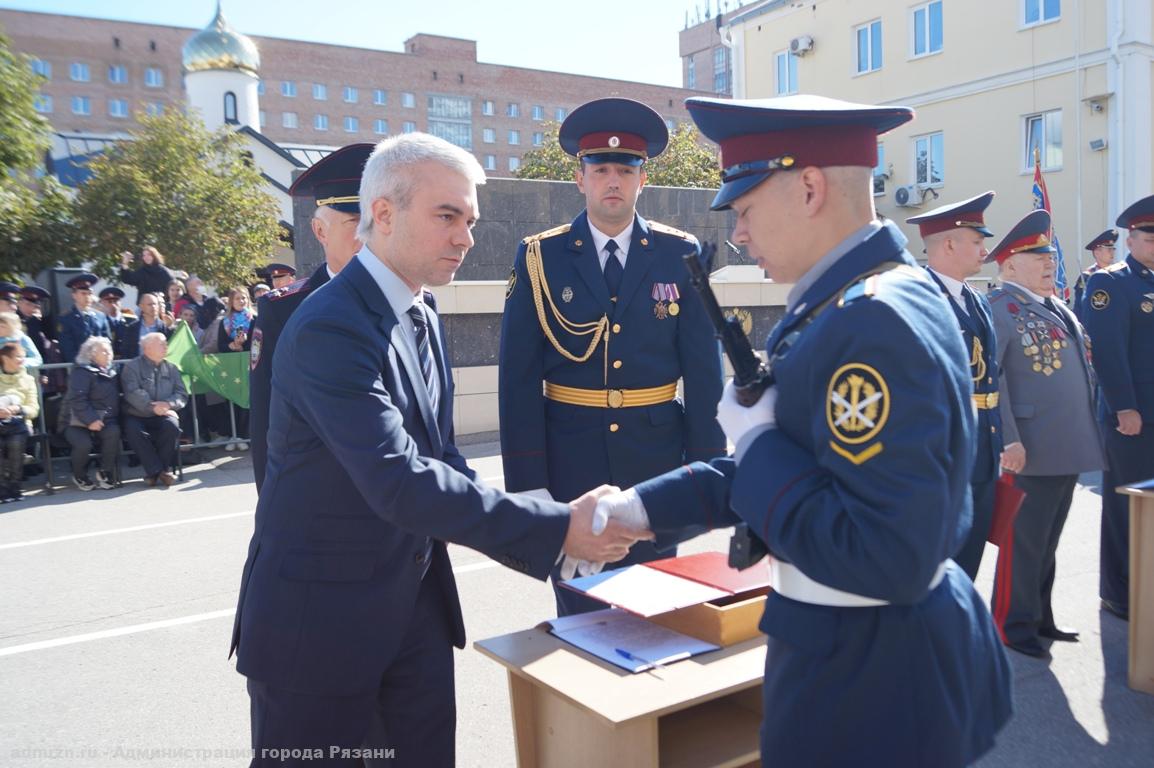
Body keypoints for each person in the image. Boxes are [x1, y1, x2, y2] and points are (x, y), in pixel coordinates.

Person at [590, 95, 1013, 766]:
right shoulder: (855, 300)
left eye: (748, 209)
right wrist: (637, 509)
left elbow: (885, 555)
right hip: (865, 654)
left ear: (810, 188)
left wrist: (754, 442)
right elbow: (800, 463)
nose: (741, 235)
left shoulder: (871, 319)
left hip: (870, 676)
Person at [230, 132, 650, 767]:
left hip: (414, 618)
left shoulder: (421, 312)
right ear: (385, 214)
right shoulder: (329, 326)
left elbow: (444, 462)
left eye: (471, 220)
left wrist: (556, 548)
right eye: (448, 216)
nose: (466, 238)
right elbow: (398, 478)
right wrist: (560, 528)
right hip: (319, 633)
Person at [498, 97, 725, 615]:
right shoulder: (540, 256)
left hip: (657, 466)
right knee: (582, 616)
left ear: (642, 180)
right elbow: (517, 380)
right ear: (580, 178)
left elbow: (704, 371)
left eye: (626, 169)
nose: (613, 180)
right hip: (569, 466)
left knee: (656, 617)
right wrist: (530, 486)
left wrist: (707, 473)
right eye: (600, 169)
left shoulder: (679, 253)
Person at [985, 209, 1104, 658]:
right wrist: (1008, 439)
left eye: (1049, 254)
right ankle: (1010, 625)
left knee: (1048, 540)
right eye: (1037, 255)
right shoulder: (1001, 308)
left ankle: (1039, 617)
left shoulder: (1053, 305)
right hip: (1029, 450)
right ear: (1010, 265)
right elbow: (991, 379)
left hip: (1064, 444)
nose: (1049, 261)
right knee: (1023, 542)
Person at [249, 142, 374, 490]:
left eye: (377, 222)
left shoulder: (415, 303)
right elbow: (265, 425)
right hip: (320, 504)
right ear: (320, 231)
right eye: (355, 222)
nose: (368, 236)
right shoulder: (283, 309)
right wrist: (273, 515)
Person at [906, 192, 1003, 578]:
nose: (985, 250)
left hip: (981, 449)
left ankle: (959, 635)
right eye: (977, 242)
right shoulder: (919, 297)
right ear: (948, 244)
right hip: (943, 452)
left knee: (970, 559)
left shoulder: (976, 300)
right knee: (938, 565)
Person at [1081, 194, 1154, 621]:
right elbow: (1107, 351)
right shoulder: (1111, 282)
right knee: (1126, 506)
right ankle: (1119, 592)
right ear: (1131, 238)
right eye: (1149, 236)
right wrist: (1124, 406)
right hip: (1135, 418)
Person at [120, 333, 187, 487]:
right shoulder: (132, 367)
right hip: (137, 414)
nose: (166, 347)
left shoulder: (171, 368)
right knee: (133, 430)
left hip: (164, 412)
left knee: (171, 426)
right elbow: (132, 392)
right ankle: (160, 472)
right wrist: (152, 407)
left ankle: (154, 473)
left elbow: (181, 393)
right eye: (162, 344)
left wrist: (168, 405)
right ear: (148, 348)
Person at [61, 336, 120, 491]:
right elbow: (78, 399)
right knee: (83, 444)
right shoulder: (81, 372)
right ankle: (79, 474)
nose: (109, 354)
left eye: (109, 350)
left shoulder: (112, 372)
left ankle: (105, 472)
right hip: (76, 421)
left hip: (104, 419)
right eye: (104, 351)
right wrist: (91, 419)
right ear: (91, 354)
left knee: (113, 432)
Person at [201, 286, 254, 451]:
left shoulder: (254, 319)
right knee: (231, 402)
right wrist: (232, 345)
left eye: (244, 298)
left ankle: (244, 435)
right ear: (231, 301)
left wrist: (244, 345)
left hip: (248, 367)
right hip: (231, 368)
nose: (241, 301)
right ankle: (234, 435)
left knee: (247, 401)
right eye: (238, 298)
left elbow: (258, 342)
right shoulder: (225, 322)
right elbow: (221, 345)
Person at [0, 342, 39, 502]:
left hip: (19, 423)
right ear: (4, 358)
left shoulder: (28, 379)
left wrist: (18, 409)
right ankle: (2, 489)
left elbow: (33, 407)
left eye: (23, 357)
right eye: (18, 357)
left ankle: (15, 487)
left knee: (15, 445)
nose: (22, 360)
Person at [56, 273, 110, 364]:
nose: (87, 297)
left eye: (90, 293)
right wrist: (82, 363)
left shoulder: (100, 316)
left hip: (101, 364)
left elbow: (108, 341)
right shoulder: (65, 319)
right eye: (83, 293)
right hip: (78, 367)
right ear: (74, 295)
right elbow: (67, 348)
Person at [1073, 228, 1117, 320]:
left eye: (1113, 249)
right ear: (1097, 253)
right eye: (1109, 250)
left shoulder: (1118, 274)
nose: (1112, 252)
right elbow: (1079, 309)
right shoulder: (1087, 277)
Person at [116, 292, 174, 360]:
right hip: (136, 368)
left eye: (155, 304)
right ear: (141, 306)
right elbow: (126, 352)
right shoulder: (132, 328)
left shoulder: (165, 328)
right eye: (150, 304)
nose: (153, 307)